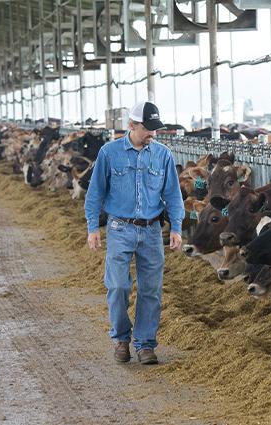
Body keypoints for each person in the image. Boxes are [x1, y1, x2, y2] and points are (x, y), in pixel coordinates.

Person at [84, 101, 185, 365]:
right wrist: (93, 227)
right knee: (118, 286)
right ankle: (121, 339)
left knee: (151, 290)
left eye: (155, 129)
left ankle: (145, 344)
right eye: (147, 128)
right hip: (119, 228)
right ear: (131, 125)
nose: (152, 134)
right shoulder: (109, 153)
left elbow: (173, 194)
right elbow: (95, 193)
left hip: (151, 230)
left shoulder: (162, 155)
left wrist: (176, 227)